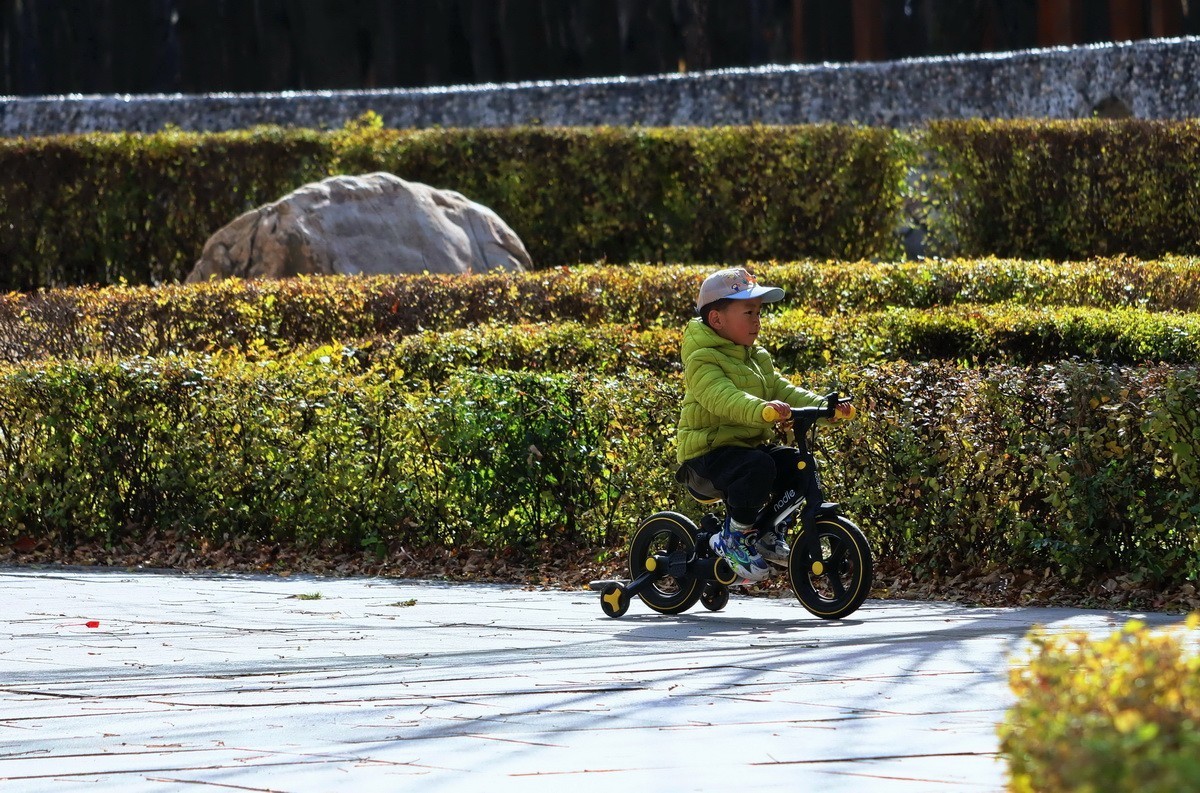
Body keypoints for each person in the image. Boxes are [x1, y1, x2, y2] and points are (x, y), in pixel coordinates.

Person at [676, 267, 853, 583]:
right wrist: (762, 410)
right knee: (759, 465)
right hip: (706, 459)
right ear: (717, 320)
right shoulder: (702, 359)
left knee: (795, 464)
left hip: (743, 454)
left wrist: (825, 407)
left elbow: (782, 389)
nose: (757, 320)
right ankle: (734, 536)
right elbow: (722, 397)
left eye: (759, 312)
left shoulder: (755, 357)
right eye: (748, 312)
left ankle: (769, 531)